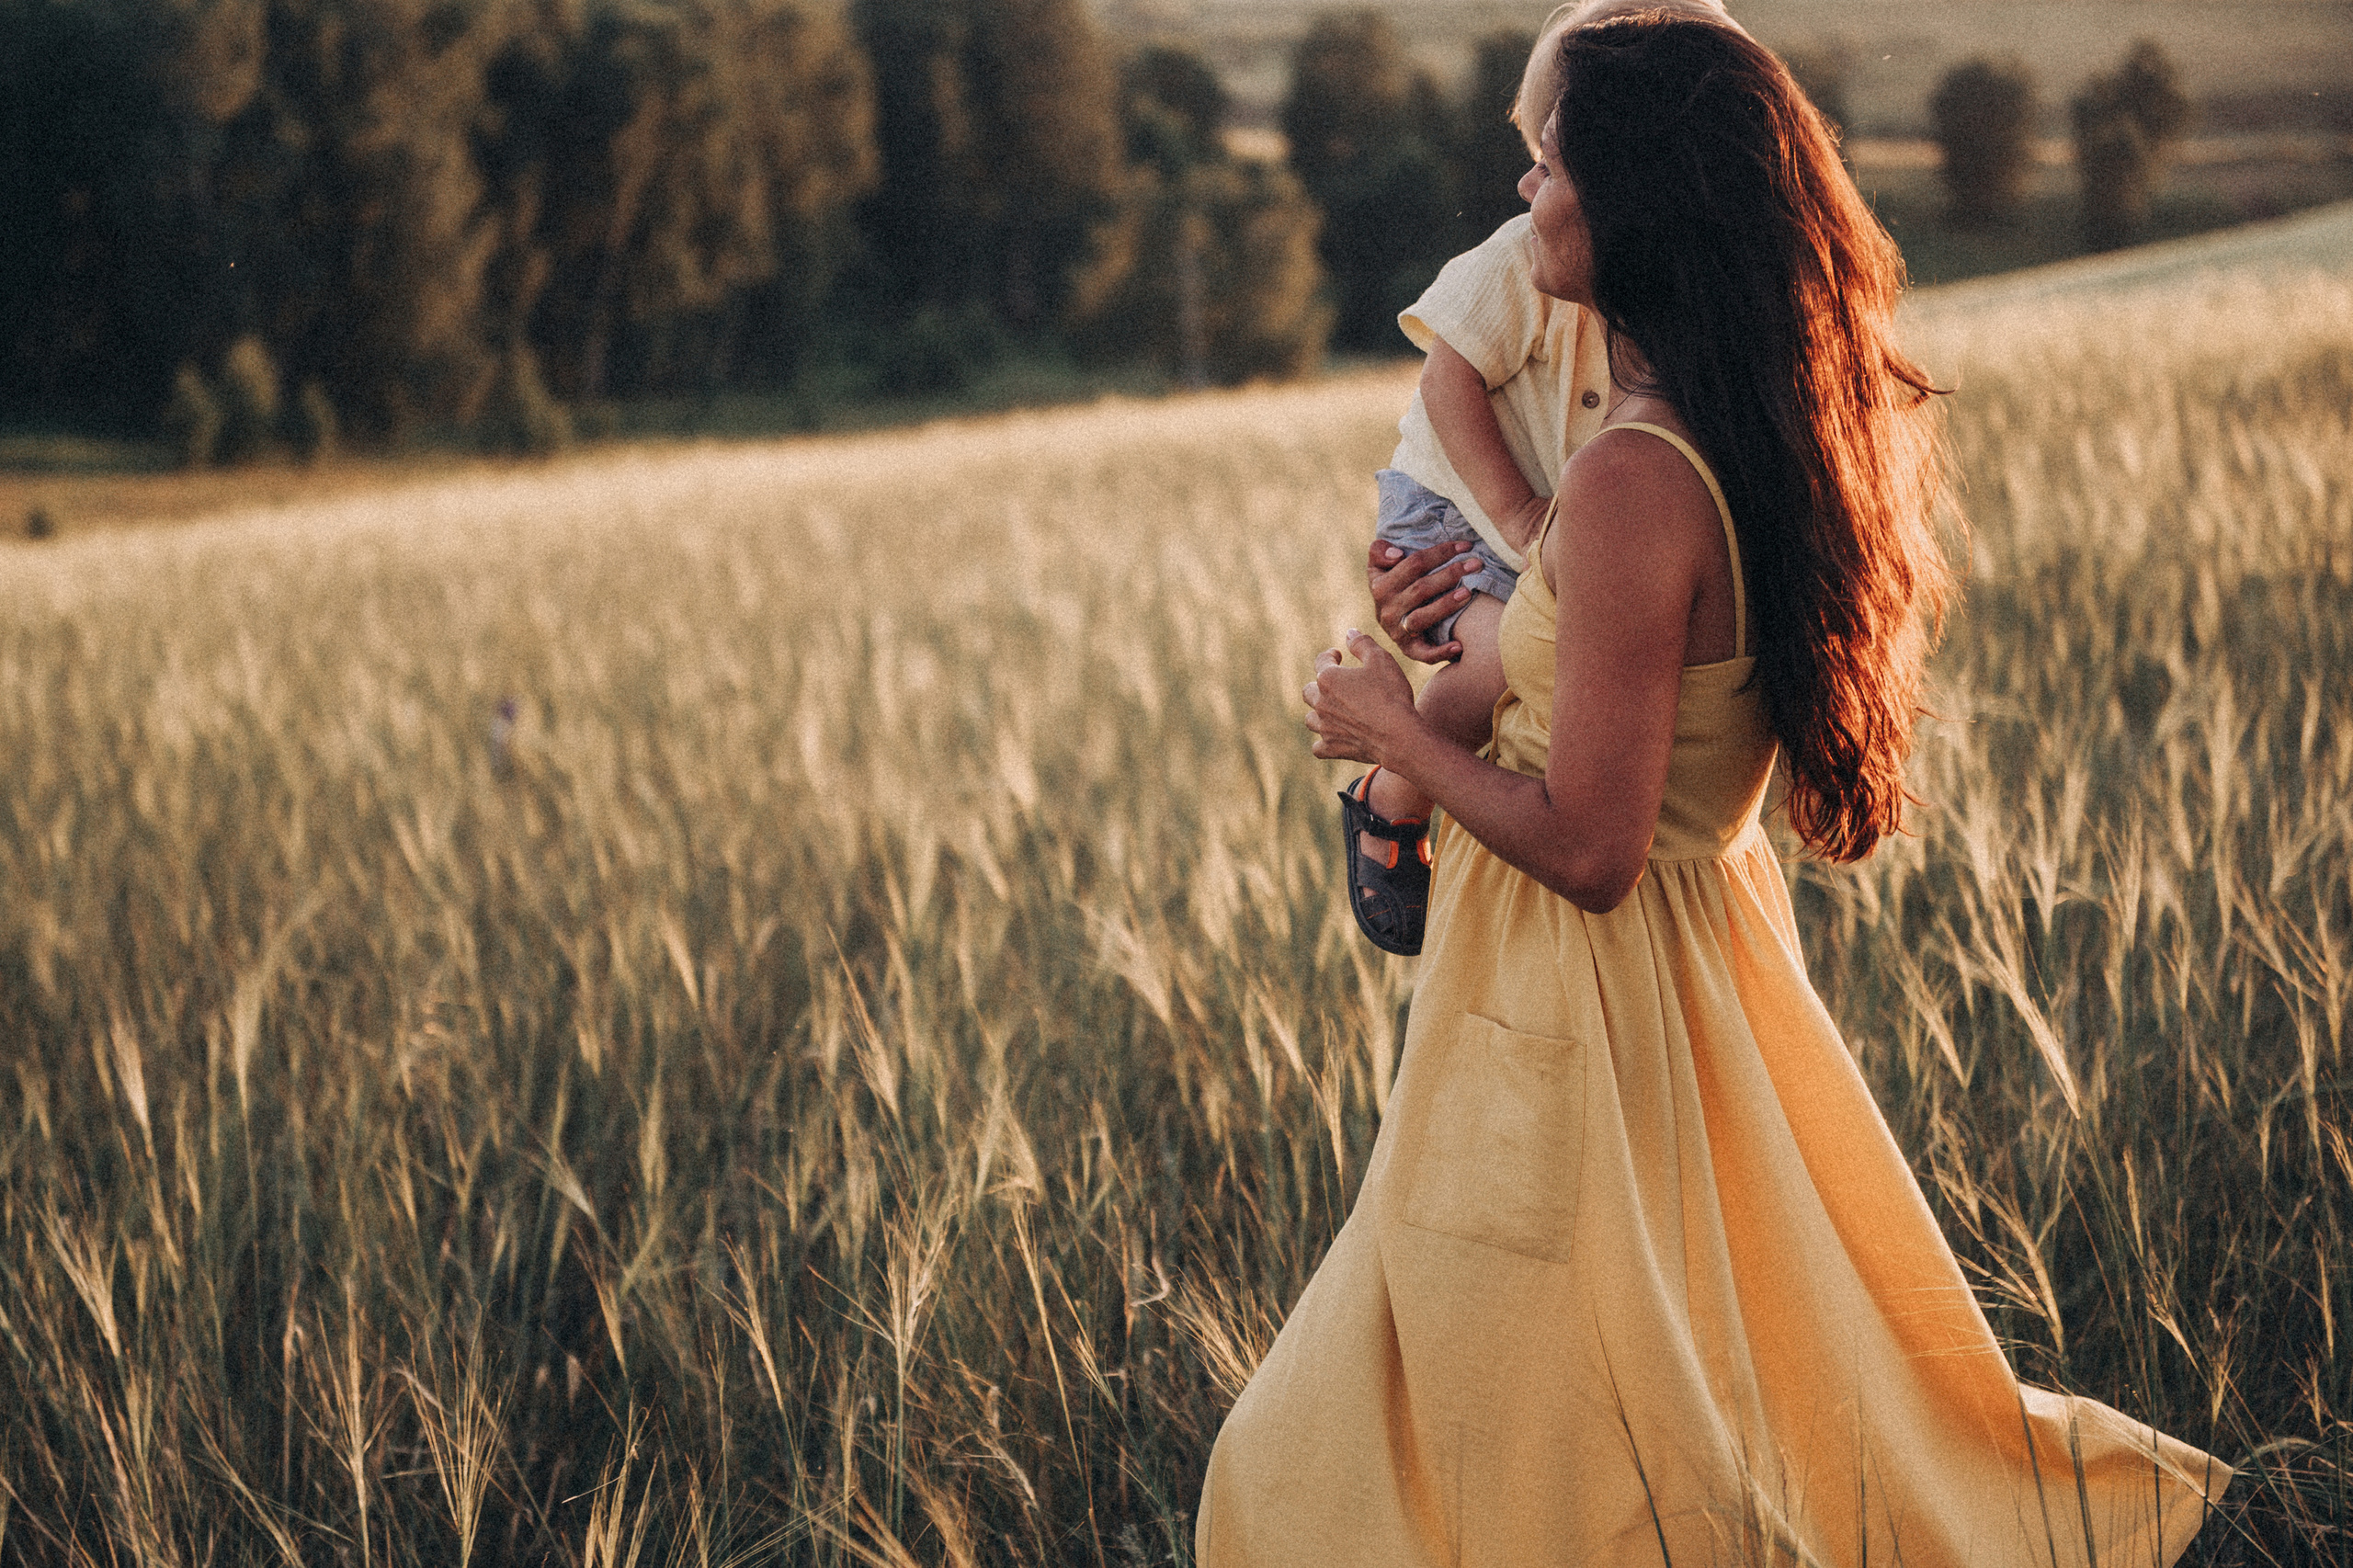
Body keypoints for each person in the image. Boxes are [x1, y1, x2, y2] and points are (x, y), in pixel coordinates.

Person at [1198, 15, 2232, 1567]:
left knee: (1394, 1442)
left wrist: (1390, 736)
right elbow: (1625, 705)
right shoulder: (1716, 439)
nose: (1527, 195)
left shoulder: (1629, 481)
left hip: (1579, 999)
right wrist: (1485, 636)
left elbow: (1598, 845)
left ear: (1635, 207)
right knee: (1605, 1403)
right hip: (1678, 982)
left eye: (1549, 169)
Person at [1344, 0, 1735, 957]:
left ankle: (1393, 778)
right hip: (1458, 502)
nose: (1524, 188)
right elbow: (1448, 377)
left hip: (1535, 521)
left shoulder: (1675, 414)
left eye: (1553, 161)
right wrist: (1517, 518)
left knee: (1504, 658)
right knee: (1496, 661)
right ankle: (1389, 797)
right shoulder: (1519, 266)